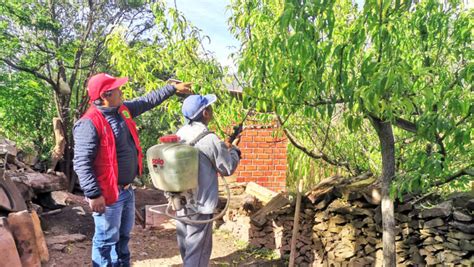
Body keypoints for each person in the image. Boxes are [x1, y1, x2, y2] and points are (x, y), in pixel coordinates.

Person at [73, 73, 192, 267]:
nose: (121, 92)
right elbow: (81, 162)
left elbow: (146, 101)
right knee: (105, 241)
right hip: (108, 193)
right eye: (117, 89)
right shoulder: (89, 123)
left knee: (123, 237)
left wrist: (172, 89)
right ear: (106, 95)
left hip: (126, 190)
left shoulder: (122, 110)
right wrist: (94, 194)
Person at [175, 94, 241, 267]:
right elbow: (227, 168)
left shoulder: (180, 134)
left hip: (180, 199)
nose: (212, 110)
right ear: (205, 113)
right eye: (210, 108)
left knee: (187, 246)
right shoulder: (209, 138)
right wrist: (234, 151)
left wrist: (223, 147)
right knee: (198, 251)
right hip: (201, 202)